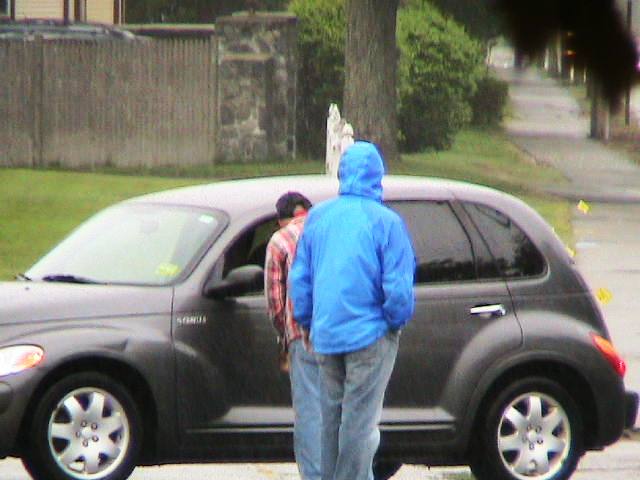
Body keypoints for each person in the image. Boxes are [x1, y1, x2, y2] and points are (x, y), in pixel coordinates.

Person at [290, 141, 415, 480]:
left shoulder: (318, 217)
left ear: (342, 174)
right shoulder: (387, 223)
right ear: (378, 177)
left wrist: (306, 320)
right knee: (359, 425)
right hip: (370, 334)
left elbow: (299, 278)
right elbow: (398, 289)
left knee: (329, 422)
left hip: (327, 335)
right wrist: (394, 322)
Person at [264, 191, 322, 480]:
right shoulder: (329, 231)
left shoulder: (280, 241)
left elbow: (275, 302)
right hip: (343, 333)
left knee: (310, 413)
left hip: (303, 335)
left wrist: (285, 336)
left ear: (280, 220)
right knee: (342, 409)